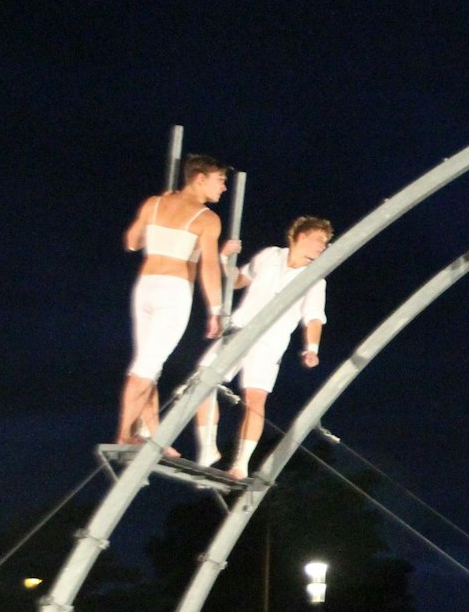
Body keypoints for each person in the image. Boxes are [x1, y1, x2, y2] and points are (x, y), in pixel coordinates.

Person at [188, 217, 332, 477]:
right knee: (202, 383)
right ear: (300, 236)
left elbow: (313, 317)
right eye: (319, 239)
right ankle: (208, 447)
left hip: (270, 340)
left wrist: (312, 348)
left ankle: (240, 464)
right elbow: (238, 281)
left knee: (254, 399)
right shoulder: (270, 255)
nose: (323, 246)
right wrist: (224, 259)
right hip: (239, 329)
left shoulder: (315, 279)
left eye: (325, 241)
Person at [117, 154, 229, 448]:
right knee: (145, 368)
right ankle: (125, 434)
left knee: (149, 364)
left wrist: (159, 214)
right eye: (220, 180)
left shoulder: (153, 203)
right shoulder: (206, 218)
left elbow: (132, 242)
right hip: (173, 291)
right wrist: (216, 311)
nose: (224, 187)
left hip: (145, 288)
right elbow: (209, 267)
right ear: (200, 178)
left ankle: (152, 435)